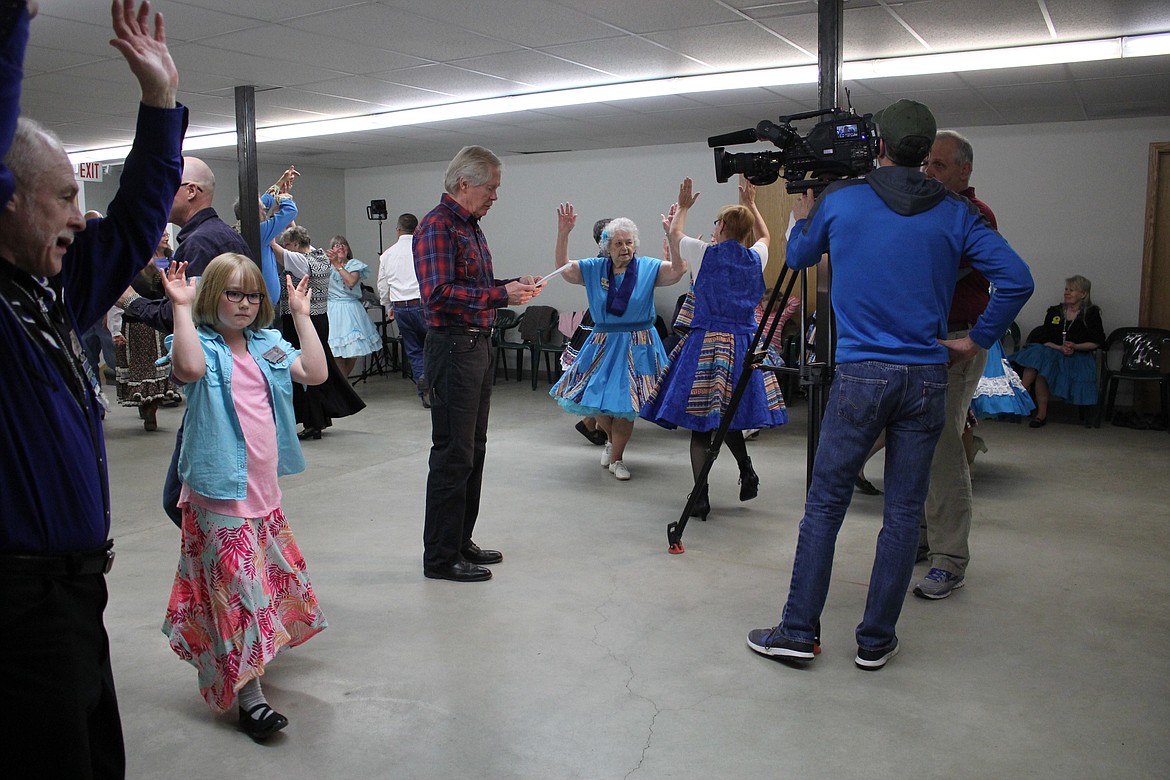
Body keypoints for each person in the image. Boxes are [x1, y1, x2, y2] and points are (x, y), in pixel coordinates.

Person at [745, 98, 1033, 671]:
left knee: (825, 505)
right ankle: (875, 640)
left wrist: (806, 209)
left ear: (878, 146)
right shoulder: (955, 213)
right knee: (904, 513)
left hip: (860, 377)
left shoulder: (844, 200)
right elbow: (1017, 280)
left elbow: (799, 254)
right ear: (926, 155)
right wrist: (977, 339)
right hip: (926, 377)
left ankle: (799, 630)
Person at [0, 1, 185, 775]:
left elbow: (140, 220)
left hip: (75, 596)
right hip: (16, 607)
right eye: (63, 198)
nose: (82, 217)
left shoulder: (54, 286)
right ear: (6, 197)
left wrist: (160, 105)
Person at [159, 254, 328, 742]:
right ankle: (250, 702)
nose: (245, 304)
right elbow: (188, 370)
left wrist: (300, 314)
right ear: (213, 294)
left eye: (253, 295)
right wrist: (182, 308)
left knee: (270, 579)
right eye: (233, 293)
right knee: (240, 593)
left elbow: (314, 373)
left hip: (262, 490)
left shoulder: (267, 345)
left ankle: (239, 658)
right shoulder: (199, 345)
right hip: (216, 492)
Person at [415, 145, 541, 582]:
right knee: (453, 453)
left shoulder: (470, 226)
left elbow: (475, 285)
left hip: (475, 347)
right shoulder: (437, 226)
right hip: (453, 348)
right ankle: (440, 558)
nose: (495, 196)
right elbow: (438, 294)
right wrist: (499, 295)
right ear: (464, 184)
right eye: (491, 187)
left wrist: (509, 285)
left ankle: (459, 540)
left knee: (473, 451)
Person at [641, 177, 788, 517]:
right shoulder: (755, 257)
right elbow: (765, 237)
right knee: (730, 414)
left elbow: (675, 235)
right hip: (744, 346)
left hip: (706, 344)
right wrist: (752, 204)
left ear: (721, 226)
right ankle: (746, 468)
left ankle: (700, 496)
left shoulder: (704, 253)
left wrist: (683, 207)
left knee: (700, 423)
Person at [120, 154, 253, 527]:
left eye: (168, 188)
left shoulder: (199, 245)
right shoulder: (225, 236)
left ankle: (222, 568)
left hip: (214, 381)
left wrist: (130, 301)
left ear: (191, 191)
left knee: (184, 499)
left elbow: (180, 315)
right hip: (231, 375)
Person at [913, 129, 999, 599]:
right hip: (926, 343)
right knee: (921, 444)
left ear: (964, 171)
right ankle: (926, 541)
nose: (928, 171)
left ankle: (950, 560)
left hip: (958, 341)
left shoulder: (974, 216)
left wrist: (972, 339)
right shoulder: (928, 211)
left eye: (939, 165)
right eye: (926, 163)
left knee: (944, 445)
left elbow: (1003, 278)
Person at [549, 208, 688, 480]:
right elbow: (564, 269)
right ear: (607, 247)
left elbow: (677, 271)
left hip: (639, 343)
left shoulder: (647, 267)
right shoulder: (594, 268)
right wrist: (563, 233)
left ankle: (618, 459)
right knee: (598, 402)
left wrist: (672, 236)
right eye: (618, 243)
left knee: (627, 405)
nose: (625, 248)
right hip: (603, 343)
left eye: (629, 243)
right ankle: (612, 443)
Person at [271, 225, 366, 439]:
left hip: (302, 320)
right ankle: (318, 419)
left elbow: (274, 246)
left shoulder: (299, 261)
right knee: (319, 368)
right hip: (320, 318)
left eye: (289, 244)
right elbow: (299, 238)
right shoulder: (320, 255)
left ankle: (314, 421)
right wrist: (291, 223)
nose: (287, 249)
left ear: (295, 244)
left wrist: (267, 232)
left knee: (306, 372)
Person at [1011, 275, 1105, 428]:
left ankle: (1020, 392)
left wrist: (1075, 346)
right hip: (1053, 352)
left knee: (1041, 363)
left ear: (1083, 294)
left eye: (1072, 290)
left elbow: (1097, 341)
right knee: (1039, 356)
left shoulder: (1091, 313)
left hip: (1078, 355)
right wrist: (1060, 348)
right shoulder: (1055, 311)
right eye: (1066, 289)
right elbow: (1044, 336)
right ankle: (1039, 412)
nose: (1066, 293)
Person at [110, 233, 182, 431]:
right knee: (142, 369)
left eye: (167, 233)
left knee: (158, 369)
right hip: (136, 324)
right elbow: (120, 296)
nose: (167, 236)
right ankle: (146, 405)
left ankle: (152, 407)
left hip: (158, 322)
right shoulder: (133, 262)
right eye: (162, 233)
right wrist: (115, 328)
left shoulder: (169, 259)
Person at [562, 216, 614, 446]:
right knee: (599, 375)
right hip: (600, 322)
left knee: (607, 376)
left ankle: (593, 424)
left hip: (614, 321)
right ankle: (598, 426)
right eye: (608, 235)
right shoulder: (599, 263)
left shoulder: (621, 260)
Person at [377, 212, 430, 405]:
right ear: (417, 229)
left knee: (414, 349)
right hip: (422, 304)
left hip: (400, 307)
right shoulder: (423, 249)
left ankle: (422, 384)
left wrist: (388, 307)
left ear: (398, 230)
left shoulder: (387, 255)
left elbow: (382, 286)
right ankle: (436, 389)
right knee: (432, 347)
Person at [325, 234, 381, 378]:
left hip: (351, 310)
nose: (340, 247)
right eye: (336, 245)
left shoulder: (354, 264)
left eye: (343, 244)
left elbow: (351, 282)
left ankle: (343, 387)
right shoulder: (326, 266)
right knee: (334, 351)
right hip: (332, 310)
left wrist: (338, 265)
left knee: (353, 351)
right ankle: (343, 388)